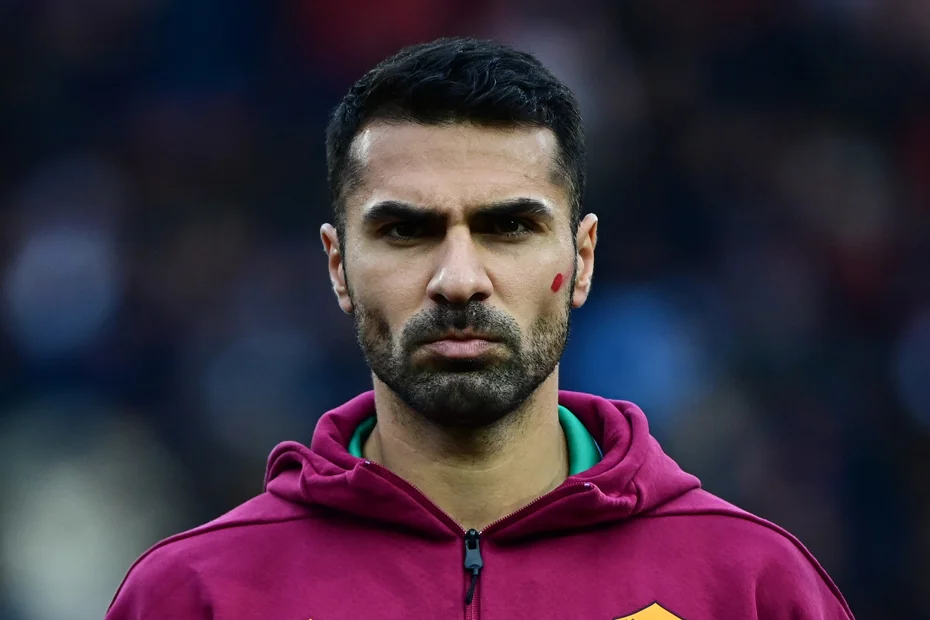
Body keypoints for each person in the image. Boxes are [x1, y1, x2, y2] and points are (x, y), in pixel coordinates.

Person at [106, 37, 854, 619]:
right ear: (338, 267)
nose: (459, 278)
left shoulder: (749, 586)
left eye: (509, 227)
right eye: (406, 231)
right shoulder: (196, 595)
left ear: (582, 259)